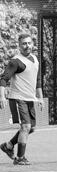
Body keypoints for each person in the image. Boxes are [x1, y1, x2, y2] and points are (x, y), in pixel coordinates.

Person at [0, 33, 43, 165]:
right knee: (26, 126)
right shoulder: (15, 62)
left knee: (31, 128)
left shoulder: (35, 60)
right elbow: (3, 79)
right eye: (24, 43)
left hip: (29, 99)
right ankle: (20, 158)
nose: (27, 46)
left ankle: (8, 146)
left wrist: (40, 98)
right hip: (18, 98)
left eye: (29, 43)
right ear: (19, 45)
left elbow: (38, 81)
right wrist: (2, 97)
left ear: (33, 44)